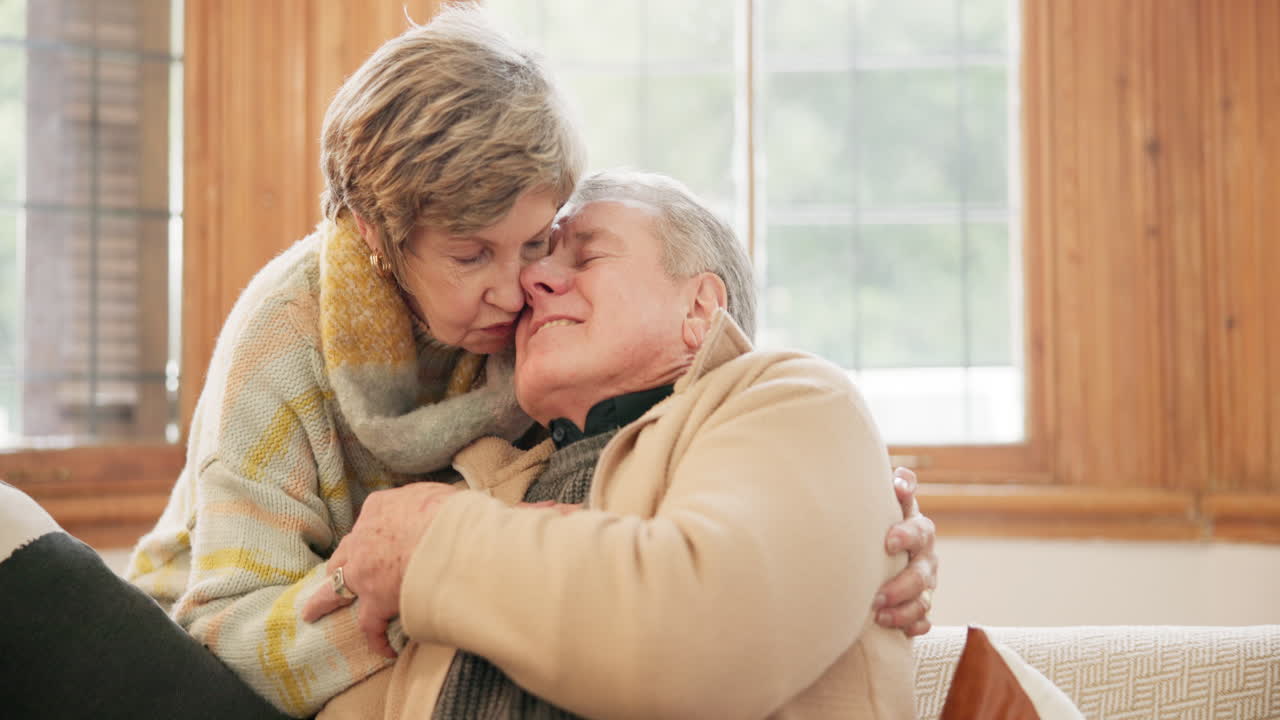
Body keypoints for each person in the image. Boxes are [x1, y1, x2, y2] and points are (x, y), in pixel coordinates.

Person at [0, 7, 934, 719]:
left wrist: (865, 525)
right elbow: (224, 626)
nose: (527, 286)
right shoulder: (287, 346)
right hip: (203, 655)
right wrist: (416, 587)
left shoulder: (737, 401)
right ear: (377, 238)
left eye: (555, 245)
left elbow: (716, 562)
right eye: (471, 256)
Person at [304, 170, 926, 719]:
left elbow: (701, 640)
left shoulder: (797, 400)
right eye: (538, 258)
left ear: (701, 308)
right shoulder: (494, 472)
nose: (532, 282)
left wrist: (435, 539)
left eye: (586, 257)